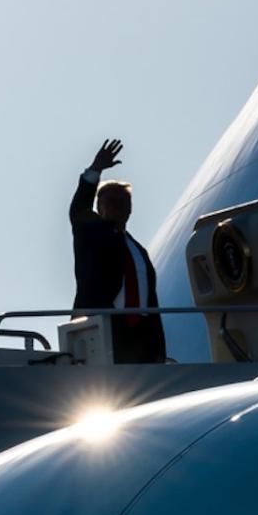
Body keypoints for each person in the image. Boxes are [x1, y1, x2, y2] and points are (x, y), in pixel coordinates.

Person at [69, 139, 167, 363]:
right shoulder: (91, 232)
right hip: (103, 327)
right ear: (98, 207)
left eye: (123, 201)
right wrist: (95, 170)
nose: (117, 205)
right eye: (110, 201)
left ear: (130, 209)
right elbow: (79, 208)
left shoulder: (138, 250)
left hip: (141, 335)